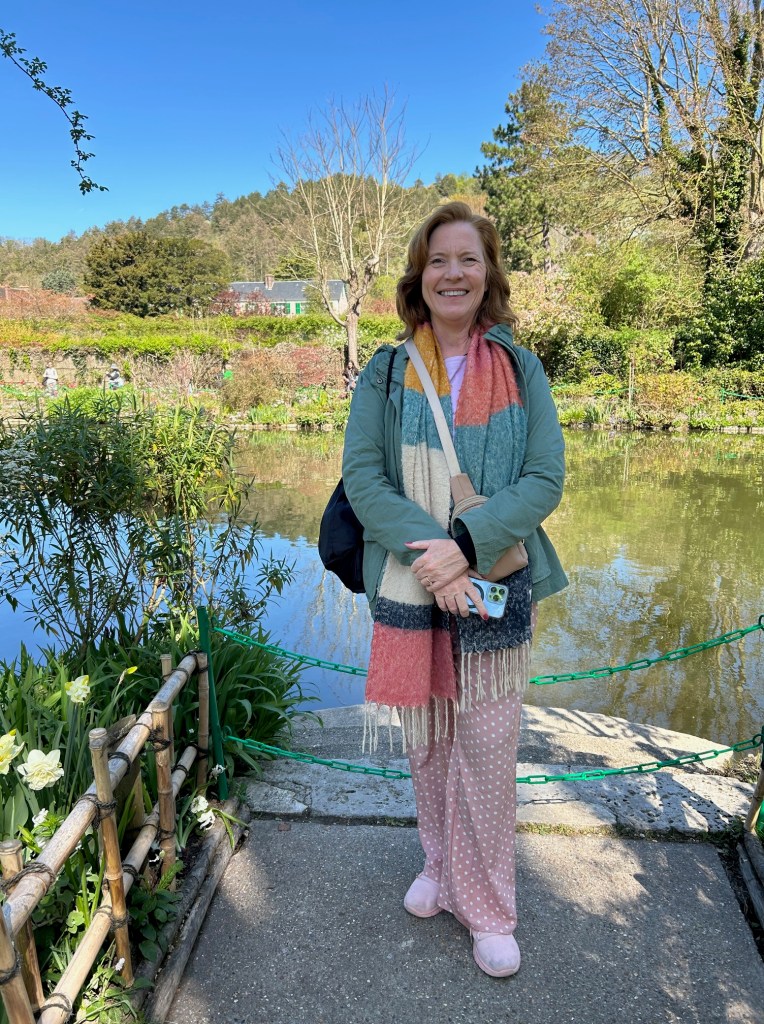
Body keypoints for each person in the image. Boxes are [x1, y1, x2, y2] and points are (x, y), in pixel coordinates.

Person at [341, 202, 567, 978]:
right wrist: (432, 555)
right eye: (439, 259)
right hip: (412, 586)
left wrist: (465, 546)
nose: (453, 273)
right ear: (420, 275)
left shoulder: (522, 369)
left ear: (488, 273)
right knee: (429, 744)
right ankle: (439, 868)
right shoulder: (385, 371)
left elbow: (545, 477)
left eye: (468, 259)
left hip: (492, 583)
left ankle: (490, 906)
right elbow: (364, 479)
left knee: (487, 751)